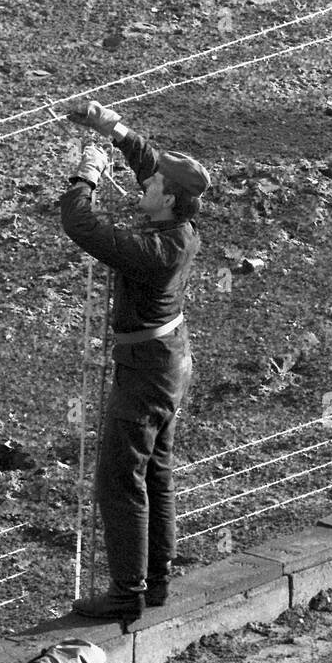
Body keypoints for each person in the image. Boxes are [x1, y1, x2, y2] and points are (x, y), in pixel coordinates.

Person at [58, 98, 211, 621]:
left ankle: (126, 593)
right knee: (157, 472)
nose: (143, 184)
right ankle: (157, 581)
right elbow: (151, 164)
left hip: (147, 372)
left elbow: (82, 227)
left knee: (120, 477)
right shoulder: (178, 225)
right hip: (166, 360)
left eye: (151, 186)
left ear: (167, 200)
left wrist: (87, 176)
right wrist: (114, 129)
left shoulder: (154, 252)